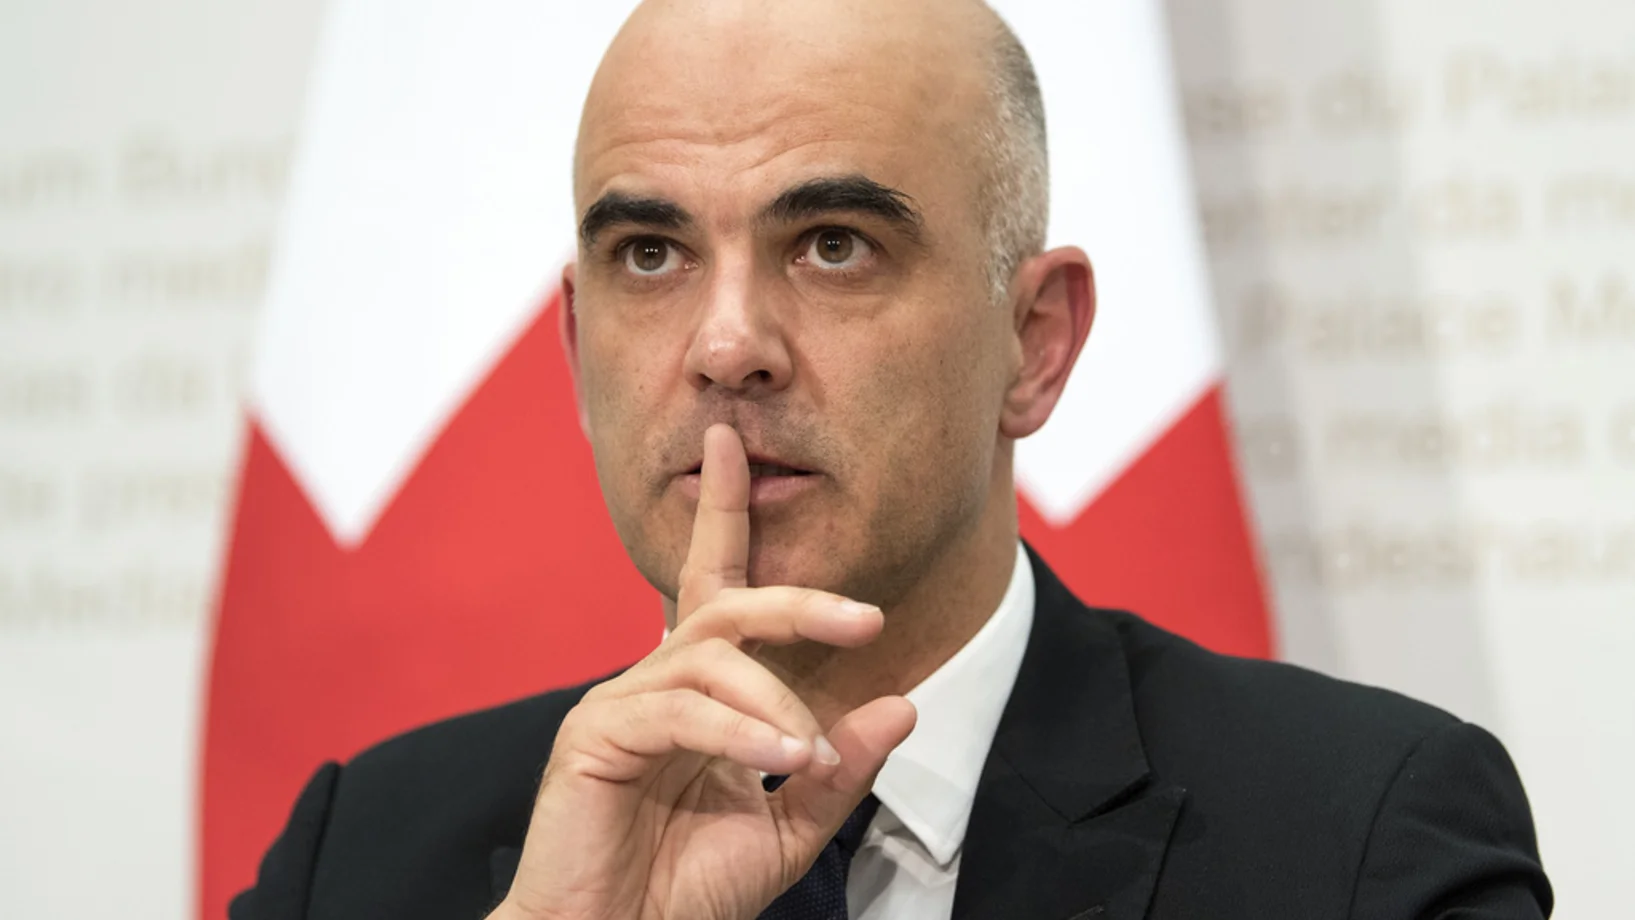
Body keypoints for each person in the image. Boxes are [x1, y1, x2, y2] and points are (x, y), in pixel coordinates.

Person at [230, 1, 1552, 918]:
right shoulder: (361, 859)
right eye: (651, 254)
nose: (727, 344)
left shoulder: (1358, 842)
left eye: (834, 246)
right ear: (576, 350)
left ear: (1034, 344)